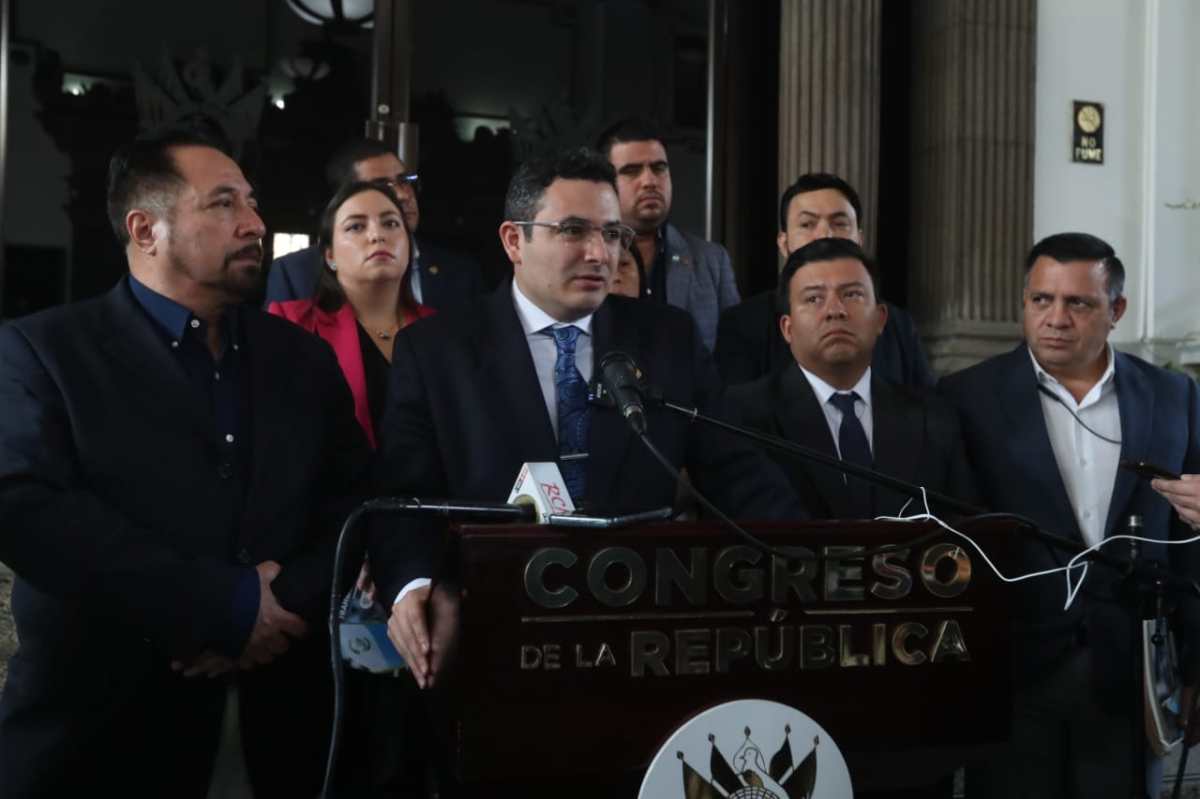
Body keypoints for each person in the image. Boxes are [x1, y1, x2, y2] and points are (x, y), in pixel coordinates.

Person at [0, 127, 371, 796]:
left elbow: (354, 502)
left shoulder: (300, 358)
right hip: (104, 729)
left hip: (288, 719)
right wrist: (221, 606)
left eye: (252, 202)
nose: (255, 223)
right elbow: (30, 516)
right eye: (223, 203)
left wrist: (278, 603)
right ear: (146, 229)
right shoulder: (43, 353)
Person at [369, 146, 805, 694]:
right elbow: (402, 501)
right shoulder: (437, 350)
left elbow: (738, 474)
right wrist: (415, 587)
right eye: (573, 231)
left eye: (612, 233)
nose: (600, 253)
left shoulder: (667, 340)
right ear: (514, 241)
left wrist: (811, 561)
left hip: (640, 640)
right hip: (490, 638)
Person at [939, 232, 1200, 799]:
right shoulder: (965, 397)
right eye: (1042, 300)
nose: (1056, 319)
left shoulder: (1173, 396)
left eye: (1078, 303)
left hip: (1131, 670)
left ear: (1117, 310)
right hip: (1012, 669)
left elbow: (1190, 543)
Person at [726, 238, 976, 521]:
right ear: (787, 328)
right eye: (814, 299)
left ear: (880, 319)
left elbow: (965, 529)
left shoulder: (932, 417)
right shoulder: (742, 416)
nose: (835, 310)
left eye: (852, 294)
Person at [714, 173, 934, 388]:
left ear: (859, 239)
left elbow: (925, 403)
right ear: (783, 243)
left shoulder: (898, 325)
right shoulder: (743, 325)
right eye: (807, 224)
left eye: (839, 223)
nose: (825, 235)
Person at [268, 181, 434, 448]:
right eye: (356, 227)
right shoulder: (293, 323)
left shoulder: (441, 329)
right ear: (330, 255)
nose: (377, 235)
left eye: (391, 223)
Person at [266, 137, 484, 311]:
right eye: (382, 186)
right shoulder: (295, 274)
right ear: (344, 199)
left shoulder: (462, 274)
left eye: (404, 181)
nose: (403, 195)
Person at [596, 117, 739, 351]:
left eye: (659, 168)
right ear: (604, 184)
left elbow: (734, 353)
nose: (649, 181)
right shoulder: (587, 257)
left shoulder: (711, 261)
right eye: (632, 171)